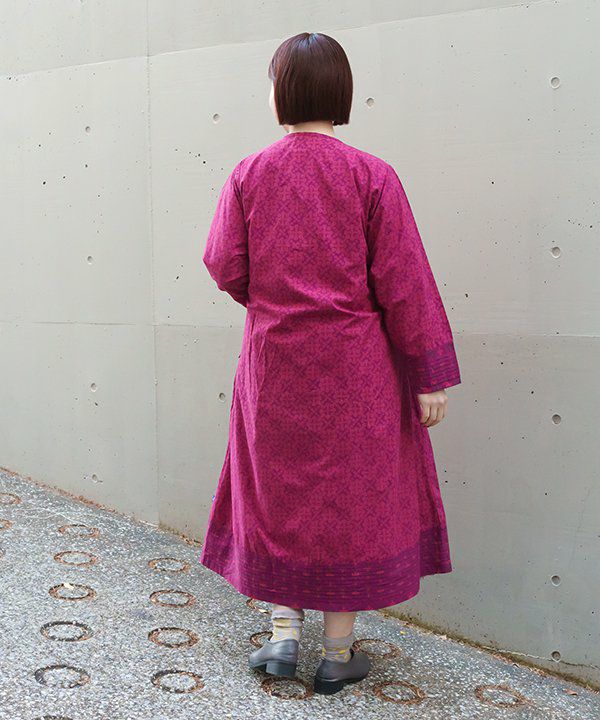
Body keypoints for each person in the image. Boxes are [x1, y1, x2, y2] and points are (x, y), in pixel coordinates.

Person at [199, 32, 461, 696]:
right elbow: (405, 283)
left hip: (274, 365)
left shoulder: (249, 173)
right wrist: (430, 375)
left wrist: (271, 302)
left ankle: (284, 640)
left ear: (281, 94)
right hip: (357, 371)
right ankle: (338, 654)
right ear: (341, 92)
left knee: (277, 494)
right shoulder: (372, 175)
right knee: (351, 502)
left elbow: (224, 263)